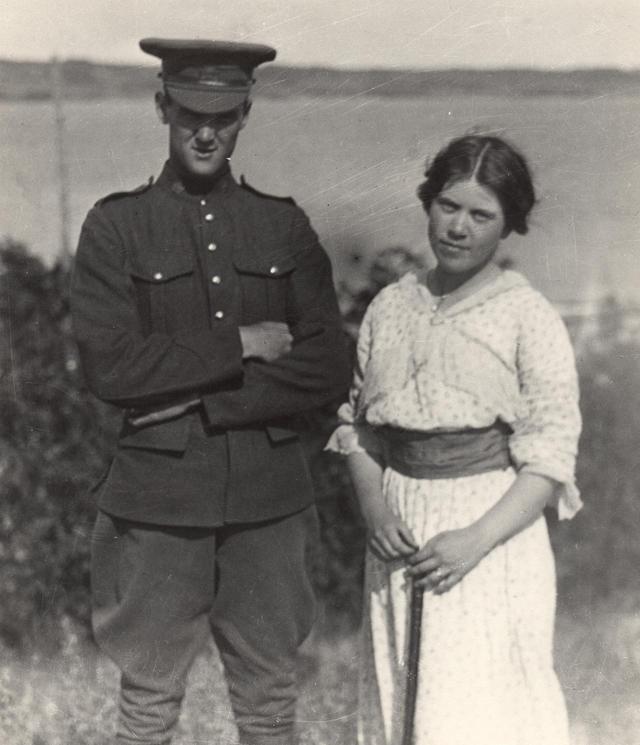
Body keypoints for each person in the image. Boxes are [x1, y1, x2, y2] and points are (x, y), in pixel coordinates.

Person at [70, 38, 350, 745]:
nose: (204, 130)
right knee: (147, 707)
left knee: (268, 707)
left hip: (269, 501)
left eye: (222, 116)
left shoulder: (282, 224)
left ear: (246, 113)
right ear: (162, 104)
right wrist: (241, 347)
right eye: (191, 111)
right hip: (158, 503)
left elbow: (326, 364)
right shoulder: (116, 226)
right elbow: (112, 367)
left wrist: (201, 396)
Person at [327, 134, 581, 745]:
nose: (459, 228)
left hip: (489, 538)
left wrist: (474, 540)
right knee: (402, 703)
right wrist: (374, 504)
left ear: (509, 223)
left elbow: (548, 461)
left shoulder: (529, 318)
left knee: (475, 710)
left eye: (481, 214)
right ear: (427, 204)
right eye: (448, 206)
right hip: (400, 534)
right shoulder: (391, 307)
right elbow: (358, 426)